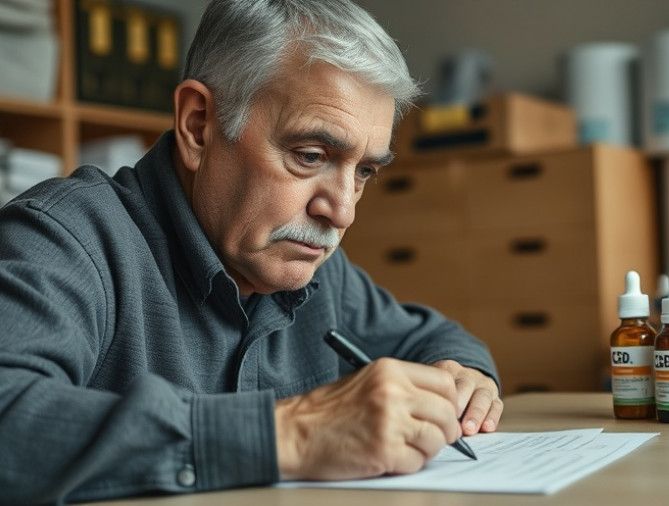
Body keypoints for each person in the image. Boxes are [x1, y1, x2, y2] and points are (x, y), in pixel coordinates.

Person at [0, 0, 503, 503]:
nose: (342, 211)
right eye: (310, 156)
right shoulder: (64, 237)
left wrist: (462, 378)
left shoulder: (316, 270)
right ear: (199, 124)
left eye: (365, 172)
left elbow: (432, 339)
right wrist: (293, 433)